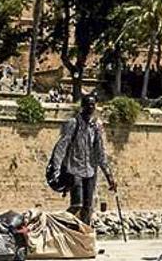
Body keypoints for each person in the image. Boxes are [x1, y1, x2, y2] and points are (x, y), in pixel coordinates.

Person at [50, 95, 117, 225]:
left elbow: (100, 152)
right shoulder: (73, 123)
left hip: (90, 171)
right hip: (74, 169)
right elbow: (61, 146)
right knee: (77, 205)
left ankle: (84, 235)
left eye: (93, 105)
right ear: (83, 106)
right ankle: (62, 226)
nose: (91, 107)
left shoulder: (96, 126)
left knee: (88, 207)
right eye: (88, 104)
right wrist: (56, 168)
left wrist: (109, 176)